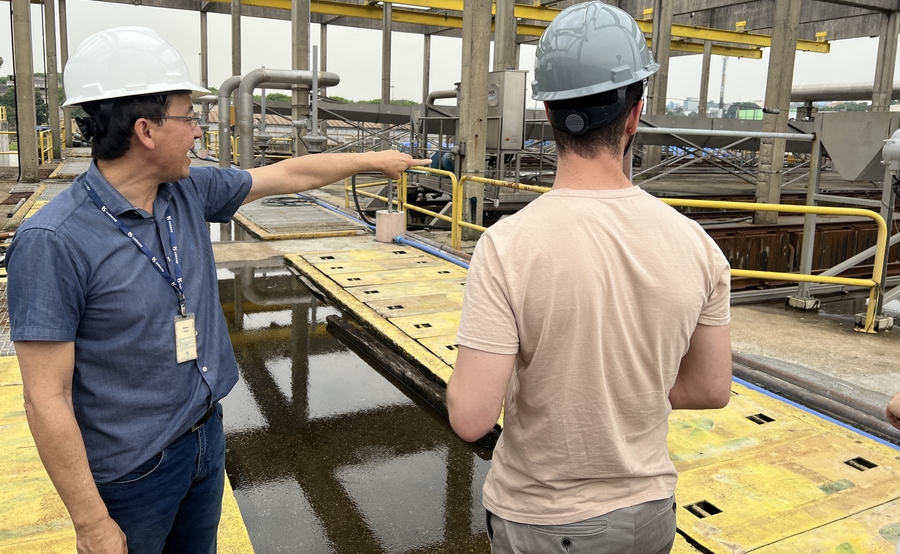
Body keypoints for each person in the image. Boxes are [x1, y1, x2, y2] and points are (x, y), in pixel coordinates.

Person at [7, 26, 428, 554]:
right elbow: (46, 397)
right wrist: (91, 522)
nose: (201, 132)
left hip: (203, 438)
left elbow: (289, 175)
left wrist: (374, 160)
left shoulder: (185, 192)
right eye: (189, 117)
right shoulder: (53, 241)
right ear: (146, 130)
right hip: (131, 474)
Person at [446, 3, 733, 553]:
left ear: (550, 112)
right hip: (649, 518)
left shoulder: (507, 247)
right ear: (634, 114)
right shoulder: (696, 246)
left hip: (542, 521)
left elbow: (471, 416)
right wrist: (628, 388)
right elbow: (710, 388)